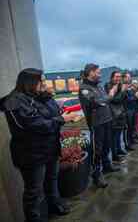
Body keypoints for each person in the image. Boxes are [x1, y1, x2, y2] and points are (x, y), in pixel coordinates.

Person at [0, 68, 78, 222]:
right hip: (31, 154)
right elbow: (35, 125)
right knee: (34, 192)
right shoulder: (15, 101)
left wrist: (49, 98)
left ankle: (55, 206)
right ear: (29, 83)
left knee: (52, 180)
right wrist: (63, 119)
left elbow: (55, 112)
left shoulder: (38, 96)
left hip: (49, 148)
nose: (44, 83)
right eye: (41, 81)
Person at [79, 63, 119, 189]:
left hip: (106, 120)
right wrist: (111, 94)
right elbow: (97, 102)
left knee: (107, 146)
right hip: (97, 124)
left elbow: (104, 101)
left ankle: (107, 166)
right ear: (90, 72)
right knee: (98, 150)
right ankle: (96, 174)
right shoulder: (84, 88)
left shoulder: (99, 87)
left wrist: (107, 98)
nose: (100, 74)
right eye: (98, 72)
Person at [104, 71, 128, 162]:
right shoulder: (108, 85)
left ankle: (118, 150)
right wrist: (122, 91)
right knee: (113, 137)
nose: (118, 78)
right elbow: (115, 100)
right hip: (113, 115)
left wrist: (123, 91)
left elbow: (123, 99)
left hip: (120, 113)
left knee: (118, 135)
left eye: (119, 77)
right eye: (116, 77)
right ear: (112, 77)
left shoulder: (120, 85)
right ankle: (114, 155)